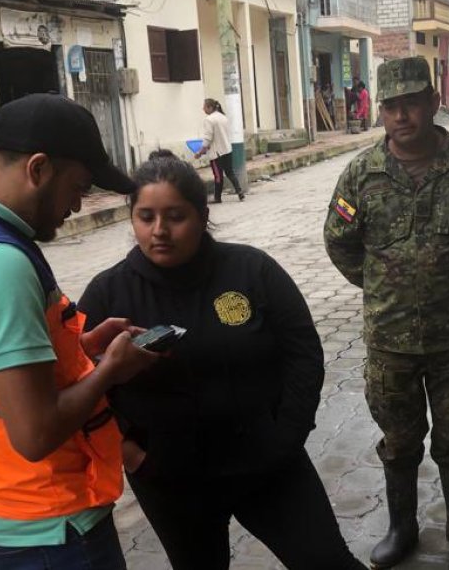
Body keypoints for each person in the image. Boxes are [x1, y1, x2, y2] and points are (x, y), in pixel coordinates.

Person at [0, 93, 161, 569]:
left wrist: (81, 347)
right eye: (77, 187)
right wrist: (111, 373)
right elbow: (35, 432)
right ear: (38, 169)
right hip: (48, 526)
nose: (78, 205)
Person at [78, 151, 366, 570]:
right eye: (145, 217)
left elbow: (302, 351)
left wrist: (286, 435)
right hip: (171, 479)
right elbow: (80, 380)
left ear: (201, 214)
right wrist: (130, 450)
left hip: (267, 465)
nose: (160, 231)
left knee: (325, 560)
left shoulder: (252, 271)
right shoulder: (108, 294)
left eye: (175, 216)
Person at [323, 56, 449, 570]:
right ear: (381, 111)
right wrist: (381, 287)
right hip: (390, 342)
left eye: (412, 103)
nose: (402, 115)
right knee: (400, 441)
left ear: (433, 102)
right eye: (392, 106)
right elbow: (338, 241)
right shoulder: (362, 173)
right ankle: (402, 527)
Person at [194, 98, 245, 203]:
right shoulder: (223, 117)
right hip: (227, 149)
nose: (203, 109)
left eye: (204, 107)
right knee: (230, 173)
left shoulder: (209, 120)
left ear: (210, 107)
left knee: (218, 176)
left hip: (216, 153)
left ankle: (217, 197)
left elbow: (208, 138)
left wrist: (200, 152)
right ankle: (240, 192)